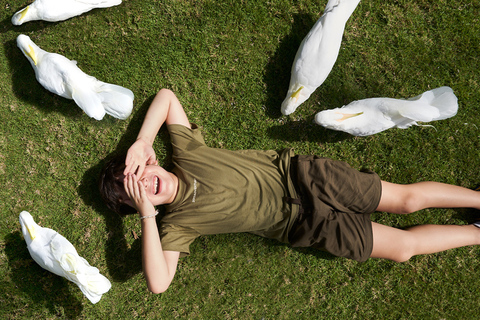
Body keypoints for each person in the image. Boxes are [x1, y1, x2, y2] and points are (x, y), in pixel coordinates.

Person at [99, 88, 480, 294]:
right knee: (402, 249)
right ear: (141, 207)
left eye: (138, 174)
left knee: (408, 200)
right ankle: (476, 234)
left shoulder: (186, 152)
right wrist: (149, 214)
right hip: (305, 226)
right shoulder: (175, 225)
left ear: (150, 162)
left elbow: (166, 97)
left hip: (307, 178)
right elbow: (159, 283)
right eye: (135, 192)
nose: (146, 184)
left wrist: (142, 140)